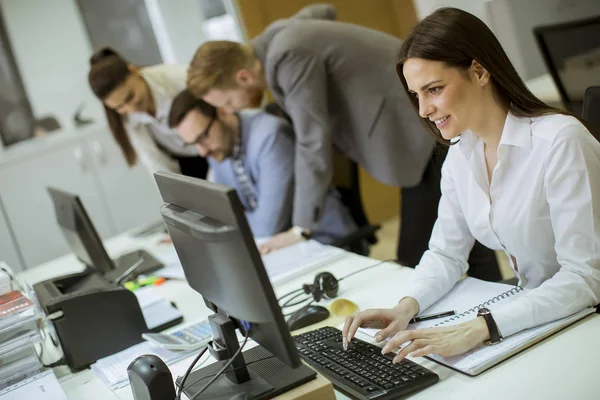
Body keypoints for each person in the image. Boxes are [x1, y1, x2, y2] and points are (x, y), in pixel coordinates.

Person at [343, 7, 600, 363]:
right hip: (538, 312)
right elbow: (447, 252)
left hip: (586, 317)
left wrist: (481, 327)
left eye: (433, 90)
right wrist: (406, 306)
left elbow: (585, 276)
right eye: (416, 95)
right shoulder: (462, 153)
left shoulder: (560, 141)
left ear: (479, 71)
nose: (423, 110)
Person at [186, 4, 501, 280]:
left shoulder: (287, 54)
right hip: (408, 121)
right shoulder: (276, 38)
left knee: (413, 258)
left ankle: (491, 307)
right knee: (460, 229)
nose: (230, 111)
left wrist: (300, 229)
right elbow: (323, 10)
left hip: (413, 123)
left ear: (242, 77)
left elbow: (312, 142)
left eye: (227, 101)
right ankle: (495, 300)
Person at [167, 89, 358, 243]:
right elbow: (223, 211)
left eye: (203, 136)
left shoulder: (270, 136)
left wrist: (234, 219)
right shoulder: (217, 147)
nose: (202, 152)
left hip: (322, 240)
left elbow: (268, 225)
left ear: (222, 111)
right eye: (194, 143)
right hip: (277, 247)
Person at [88, 47, 208, 179]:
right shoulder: (125, 117)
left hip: (216, 146)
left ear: (134, 71)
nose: (131, 108)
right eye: (119, 107)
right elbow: (153, 159)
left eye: (130, 97)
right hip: (187, 162)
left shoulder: (179, 77)